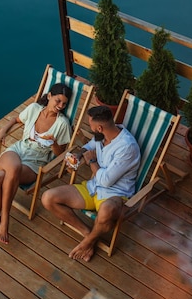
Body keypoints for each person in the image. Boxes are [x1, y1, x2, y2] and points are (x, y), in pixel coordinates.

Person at [0, 83, 73, 244]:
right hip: (17, 151)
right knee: (13, 168)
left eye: (64, 104)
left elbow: (60, 154)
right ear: (49, 96)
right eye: (57, 101)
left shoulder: (62, 124)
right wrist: (2, 130)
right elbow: (16, 119)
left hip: (35, 162)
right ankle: (3, 219)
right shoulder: (34, 108)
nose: (60, 106)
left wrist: (54, 142)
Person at [41, 105, 141, 262]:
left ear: (100, 128)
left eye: (92, 127)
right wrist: (79, 155)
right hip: (93, 188)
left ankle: (86, 243)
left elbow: (106, 181)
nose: (91, 129)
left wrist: (92, 161)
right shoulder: (103, 135)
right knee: (48, 198)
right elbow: (88, 146)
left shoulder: (127, 148)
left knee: (107, 210)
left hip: (115, 194)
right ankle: (89, 235)